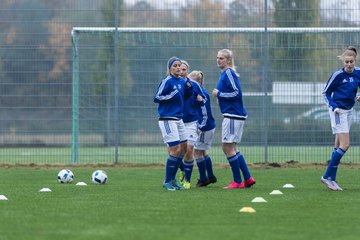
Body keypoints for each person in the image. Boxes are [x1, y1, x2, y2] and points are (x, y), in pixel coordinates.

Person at [212, 49, 255, 189]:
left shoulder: (228, 73)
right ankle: (247, 178)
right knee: (233, 148)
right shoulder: (225, 74)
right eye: (218, 58)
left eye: (222, 58)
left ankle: (237, 181)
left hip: (232, 115)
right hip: (234, 115)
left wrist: (219, 94)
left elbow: (237, 93)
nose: (219, 60)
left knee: (227, 147)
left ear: (229, 61)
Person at [321, 46, 360, 191]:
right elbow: (325, 93)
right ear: (343, 61)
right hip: (338, 112)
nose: (349, 64)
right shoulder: (337, 75)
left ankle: (333, 179)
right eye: (346, 62)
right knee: (345, 145)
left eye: (351, 62)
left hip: (349, 111)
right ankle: (326, 176)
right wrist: (334, 107)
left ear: (355, 61)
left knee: (338, 146)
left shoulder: (358, 73)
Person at [154, 56, 193, 191]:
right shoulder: (167, 81)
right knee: (175, 150)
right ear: (170, 68)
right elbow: (157, 97)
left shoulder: (182, 81)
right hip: (167, 119)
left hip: (179, 119)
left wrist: (189, 89)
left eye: (179, 66)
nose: (178, 68)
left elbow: (185, 97)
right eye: (175, 66)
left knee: (184, 149)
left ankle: (173, 180)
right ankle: (167, 181)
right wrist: (172, 94)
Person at [178, 61, 205, 189]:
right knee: (175, 152)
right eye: (179, 69)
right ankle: (183, 172)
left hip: (191, 123)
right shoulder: (173, 84)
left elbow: (204, 101)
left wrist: (200, 101)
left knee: (189, 150)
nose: (181, 71)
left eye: (184, 69)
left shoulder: (193, 85)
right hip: (176, 122)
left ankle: (187, 181)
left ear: (187, 71)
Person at [188, 70, 217, 187]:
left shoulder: (200, 94)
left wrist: (201, 127)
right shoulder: (201, 91)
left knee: (197, 152)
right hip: (208, 126)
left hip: (205, 127)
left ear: (197, 82)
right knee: (203, 151)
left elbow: (204, 112)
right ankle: (210, 176)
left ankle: (203, 179)